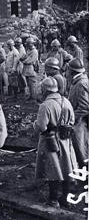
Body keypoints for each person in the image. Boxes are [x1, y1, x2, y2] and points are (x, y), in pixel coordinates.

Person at [34, 77, 78, 208]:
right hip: (66, 140)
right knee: (67, 168)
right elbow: (72, 121)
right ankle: (66, 199)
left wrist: (34, 124)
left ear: (44, 90)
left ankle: (53, 200)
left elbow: (42, 127)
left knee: (53, 170)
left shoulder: (45, 105)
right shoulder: (67, 101)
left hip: (50, 141)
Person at [67, 58, 89, 168]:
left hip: (80, 122)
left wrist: (71, 119)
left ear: (72, 71)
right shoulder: (78, 81)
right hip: (78, 120)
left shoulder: (81, 83)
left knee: (81, 150)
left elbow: (85, 107)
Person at [21, 38, 39, 102]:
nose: (28, 45)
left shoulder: (34, 51)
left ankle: (34, 97)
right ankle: (31, 95)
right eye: (27, 44)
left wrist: (24, 61)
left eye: (29, 44)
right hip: (26, 68)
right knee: (29, 83)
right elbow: (25, 56)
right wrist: (23, 58)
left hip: (31, 68)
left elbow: (30, 61)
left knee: (32, 83)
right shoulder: (29, 50)